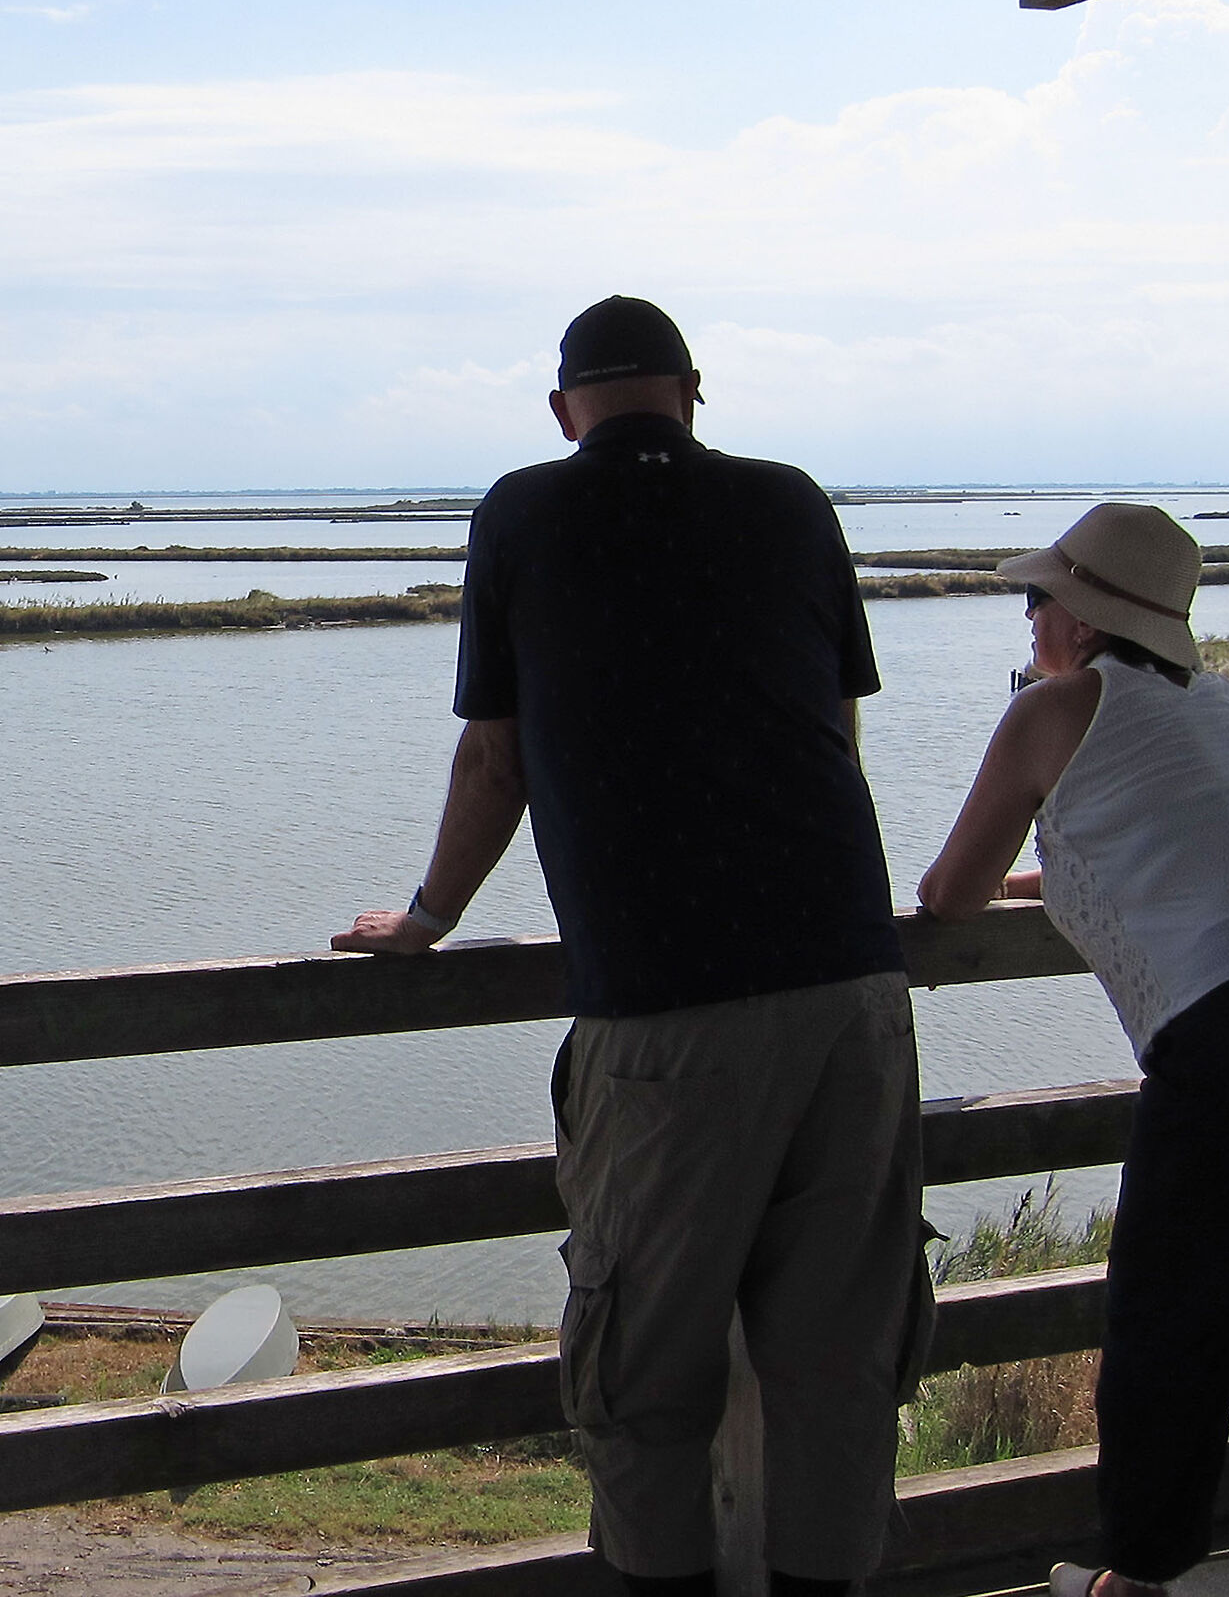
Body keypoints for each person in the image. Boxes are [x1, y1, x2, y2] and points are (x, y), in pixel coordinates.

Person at [334, 296, 926, 1597]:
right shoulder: (793, 504)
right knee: (836, 1373)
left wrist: (427, 919)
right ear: (692, 391)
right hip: (856, 989)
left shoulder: (524, 513)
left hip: (670, 1015)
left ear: (564, 411)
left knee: (643, 1376)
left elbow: (497, 755)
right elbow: (835, 735)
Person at [917, 502, 1229, 1597]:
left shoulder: (1048, 712)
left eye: (1038, 599)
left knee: (1169, 1309)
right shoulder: (1218, 701)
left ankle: (1143, 1573)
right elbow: (1188, 835)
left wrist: (1021, 858)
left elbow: (948, 893)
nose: (1028, 619)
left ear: (1076, 617)